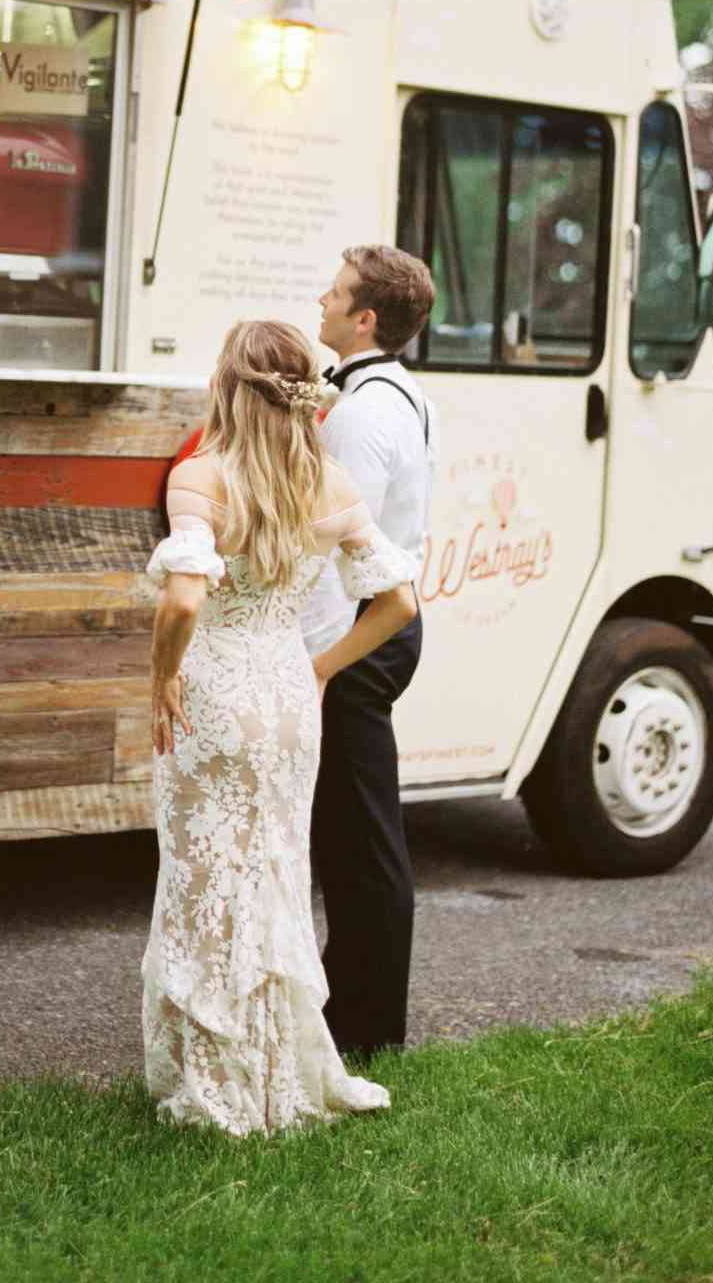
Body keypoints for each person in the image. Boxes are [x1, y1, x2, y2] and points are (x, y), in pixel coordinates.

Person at [144, 319, 421, 1136]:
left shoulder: (201, 478)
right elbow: (399, 603)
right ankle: (279, 1072)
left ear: (227, 387)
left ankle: (216, 1081)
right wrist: (325, 666)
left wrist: (162, 676)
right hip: (288, 693)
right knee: (275, 874)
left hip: (215, 691)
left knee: (203, 879)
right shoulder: (332, 486)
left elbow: (185, 597)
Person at [303, 246, 437, 1064]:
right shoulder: (396, 392)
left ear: (363, 319)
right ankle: (351, 1003)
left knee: (359, 841)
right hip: (375, 625)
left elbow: (333, 548)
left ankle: (367, 1026)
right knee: (351, 836)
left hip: (360, 630)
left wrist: (314, 662)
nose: (319, 297)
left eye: (335, 290)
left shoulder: (359, 412)